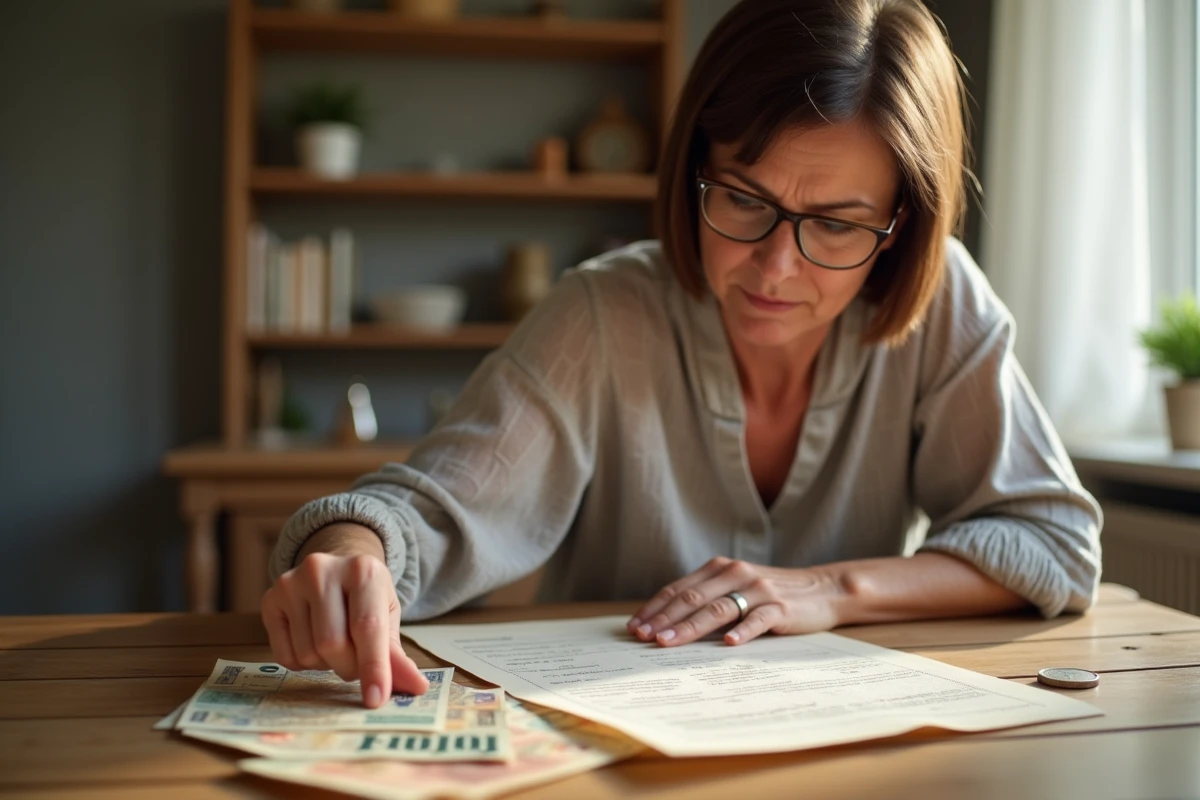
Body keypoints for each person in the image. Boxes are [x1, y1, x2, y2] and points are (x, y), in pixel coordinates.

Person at [260, 0, 1102, 709]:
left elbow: (1052, 543)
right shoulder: (603, 312)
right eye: (743, 198)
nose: (776, 267)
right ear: (693, 164)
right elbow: (427, 515)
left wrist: (830, 589)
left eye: (838, 225)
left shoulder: (942, 299)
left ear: (899, 229)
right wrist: (352, 554)